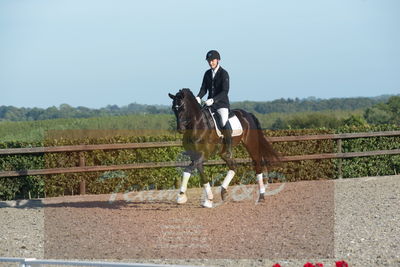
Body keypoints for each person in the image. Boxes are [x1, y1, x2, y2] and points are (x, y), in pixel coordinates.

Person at [196, 50, 232, 158]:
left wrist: (213, 100)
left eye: (212, 60)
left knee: (223, 120)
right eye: (209, 61)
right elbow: (203, 89)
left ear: (218, 60)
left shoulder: (224, 73)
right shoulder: (207, 73)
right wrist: (198, 96)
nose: (210, 63)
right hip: (209, 104)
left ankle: (229, 148)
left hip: (221, 104)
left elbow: (225, 91)